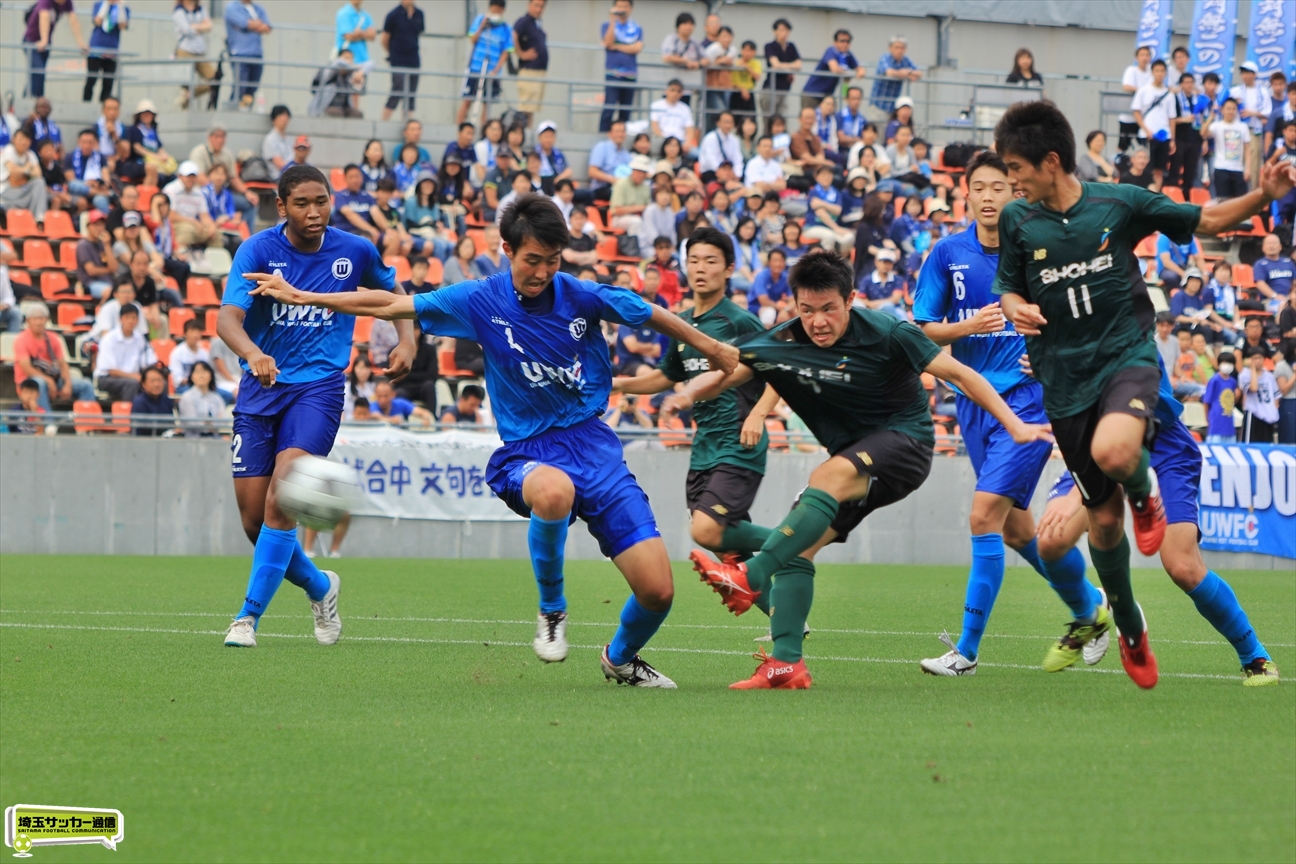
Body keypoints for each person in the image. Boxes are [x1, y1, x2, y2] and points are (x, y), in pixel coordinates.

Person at [246, 192, 743, 685]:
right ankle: (552, 611)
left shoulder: (581, 295)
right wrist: (307, 296)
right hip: (528, 453)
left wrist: (711, 346)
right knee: (553, 492)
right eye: (532, 260)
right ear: (507, 250)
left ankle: (620, 658)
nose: (543, 271)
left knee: (658, 592)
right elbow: (389, 303)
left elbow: (648, 312)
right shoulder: (480, 298)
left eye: (552, 260)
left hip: (596, 449)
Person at [992, 99, 1296, 688]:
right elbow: (1007, 284)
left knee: (1176, 556)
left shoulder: (1119, 202)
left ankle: (1254, 653)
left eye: (1016, 170)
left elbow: (1205, 222)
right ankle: (1126, 626)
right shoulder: (1017, 222)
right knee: (1081, 533)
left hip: (1135, 387)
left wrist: (1263, 197)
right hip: (1066, 388)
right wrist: (1013, 306)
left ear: (1050, 161)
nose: (1012, 183)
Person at [686, 251, 1051, 689]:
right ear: (794, 307)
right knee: (798, 546)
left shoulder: (889, 331)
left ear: (851, 300)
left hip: (906, 445)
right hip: (854, 460)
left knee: (822, 479)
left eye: (828, 310)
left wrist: (1015, 424)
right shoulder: (780, 341)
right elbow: (726, 374)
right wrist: (686, 394)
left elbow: (961, 375)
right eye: (807, 311)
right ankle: (786, 665)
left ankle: (751, 575)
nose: (818, 321)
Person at [214, 164, 416, 649]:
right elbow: (227, 320)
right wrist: (254, 353)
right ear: (281, 206)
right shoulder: (259, 250)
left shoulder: (354, 249)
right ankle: (321, 587)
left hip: (319, 388)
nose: (314, 212)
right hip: (260, 389)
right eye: (302, 203)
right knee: (253, 522)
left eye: (321, 201)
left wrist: (407, 341)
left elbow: (397, 294)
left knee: (282, 501)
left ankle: (247, 618)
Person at [911, 150, 1070, 675]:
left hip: (1028, 402)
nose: (986, 196)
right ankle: (1094, 606)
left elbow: (1073, 319)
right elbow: (922, 329)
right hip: (974, 405)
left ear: (1014, 192)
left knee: (982, 517)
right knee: (1019, 532)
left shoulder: (1040, 249)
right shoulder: (947, 254)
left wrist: (1048, 352)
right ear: (966, 194)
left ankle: (967, 651)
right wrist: (967, 329)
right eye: (978, 187)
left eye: (997, 187)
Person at [1035, 361, 1279, 685]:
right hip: (1094, 447)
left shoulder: (1121, 324)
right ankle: (1092, 612)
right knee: (1051, 541)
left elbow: (1127, 421)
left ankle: (1255, 656)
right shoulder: (1050, 334)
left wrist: (1075, 497)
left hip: (1160, 443)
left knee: (1182, 566)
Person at [614, 225, 775, 568]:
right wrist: (618, 385)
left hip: (738, 441)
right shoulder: (682, 324)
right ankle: (783, 617)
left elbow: (780, 369)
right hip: (704, 445)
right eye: (694, 260)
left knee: (705, 530)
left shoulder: (740, 321)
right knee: (721, 545)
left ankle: (793, 543)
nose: (700, 268)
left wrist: (759, 414)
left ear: (729, 269)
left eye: (710, 261)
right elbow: (666, 376)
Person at [14, 301, 96, 410]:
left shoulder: (53, 338)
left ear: (46, 320)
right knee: (40, 382)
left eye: (41, 318)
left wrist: (67, 384)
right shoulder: (21, 339)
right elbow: (26, 367)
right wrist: (48, 380)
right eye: (35, 319)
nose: (38, 322)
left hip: (53, 378)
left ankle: (87, 421)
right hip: (29, 382)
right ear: (28, 321)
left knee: (86, 385)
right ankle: (48, 423)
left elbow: (63, 364)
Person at [23, 0, 87, 100]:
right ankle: (33, 100)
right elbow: (44, 16)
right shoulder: (46, 1)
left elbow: (73, 20)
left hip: (45, 44)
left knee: (40, 74)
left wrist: (81, 43)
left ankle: (37, 100)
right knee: (38, 71)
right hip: (32, 41)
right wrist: (44, 40)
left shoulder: (67, 3)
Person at [95, 301, 157, 402]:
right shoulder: (109, 339)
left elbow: (149, 362)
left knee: (158, 382)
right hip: (107, 378)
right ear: (120, 319)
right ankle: (128, 415)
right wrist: (135, 377)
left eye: (134, 318)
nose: (130, 321)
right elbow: (111, 370)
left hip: (135, 377)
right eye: (127, 317)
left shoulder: (141, 339)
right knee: (132, 384)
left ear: (138, 320)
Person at [1130, 59, 1177, 189]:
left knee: (1159, 169)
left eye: (1162, 71)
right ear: (1152, 72)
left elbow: (1172, 117)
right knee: (1145, 167)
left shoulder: (1169, 94)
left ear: (1166, 73)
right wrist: (1147, 130)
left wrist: (1172, 138)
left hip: (1164, 136)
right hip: (1147, 135)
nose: (1160, 73)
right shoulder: (1144, 90)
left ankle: (1155, 197)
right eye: (1157, 70)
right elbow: (1136, 112)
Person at [598, 0, 643, 132]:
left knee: (626, 110)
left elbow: (637, 48)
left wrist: (616, 46)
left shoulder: (636, 28)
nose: (623, 9)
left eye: (625, 6)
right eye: (620, 6)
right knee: (609, 107)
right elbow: (607, 42)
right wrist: (613, 20)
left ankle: (622, 136)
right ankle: (603, 135)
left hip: (630, 74)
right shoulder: (606, 25)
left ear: (630, 9)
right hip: (613, 73)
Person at [224, 0, 271, 111]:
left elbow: (267, 27)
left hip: (256, 53)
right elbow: (245, 23)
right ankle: (232, 112)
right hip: (240, 53)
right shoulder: (232, 7)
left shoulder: (258, 8)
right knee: (240, 87)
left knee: (252, 88)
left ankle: (246, 110)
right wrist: (258, 24)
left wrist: (253, 25)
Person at [1230, 61, 1271, 187]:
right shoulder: (1235, 91)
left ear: (1254, 75)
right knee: (1235, 162)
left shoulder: (1263, 92)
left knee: (1253, 164)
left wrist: (1252, 113)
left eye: (1248, 73)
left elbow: (1267, 112)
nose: (1245, 76)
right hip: (1236, 132)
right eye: (1243, 73)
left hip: (1254, 131)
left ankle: (1251, 195)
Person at [1202, 97, 1251, 199]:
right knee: (1222, 200)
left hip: (1238, 169)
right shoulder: (1217, 125)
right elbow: (1203, 133)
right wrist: (1211, 117)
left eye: (1233, 109)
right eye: (1228, 108)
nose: (1231, 111)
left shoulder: (1243, 127)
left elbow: (1247, 149)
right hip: (1221, 168)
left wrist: (1248, 168)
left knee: (1240, 200)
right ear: (1222, 110)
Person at [803, 29, 864, 108]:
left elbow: (860, 69)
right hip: (812, 93)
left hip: (827, 96)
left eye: (848, 41)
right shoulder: (831, 51)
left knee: (830, 119)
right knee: (810, 118)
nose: (845, 44)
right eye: (842, 41)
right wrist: (846, 75)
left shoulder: (847, 55)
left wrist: (859, 72)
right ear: (835, 42)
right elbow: (834, 68)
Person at [1169, 73, 1208, 194]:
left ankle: (1187, 197)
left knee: (1191, 171)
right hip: (1179, 139)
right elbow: (1170, 119)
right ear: (1181, 84)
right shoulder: (1175, 98)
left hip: (1195, 139)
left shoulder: (1198, 99)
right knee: (1175, 169)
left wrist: (1205, 140)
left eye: (1191, 82)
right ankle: (1173, 195)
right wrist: (1184, 120)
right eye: (1186, 82)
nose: (1189, 85)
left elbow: (1203, 120)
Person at [1, 129, 49, 225]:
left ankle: (39, 219)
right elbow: (14, 172)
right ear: (13, 140)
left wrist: (22, 171)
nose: (23, 142)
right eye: (20, 139)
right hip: (6, 190)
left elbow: (38, 174)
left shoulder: (31, 154)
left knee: (39, 183)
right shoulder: (9, 150)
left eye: (26, 139)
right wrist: (28, 167)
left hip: (22, 190)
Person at [511, 0, 548, 127]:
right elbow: (513, 34)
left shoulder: (537, 23)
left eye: (541, 6)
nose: (538, 9)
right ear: (529, 5)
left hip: (539, 71)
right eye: (536, 5)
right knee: (526, 107)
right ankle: (522, 133)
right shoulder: (524, 21)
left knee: (532, 108)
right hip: (529, 70)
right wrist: (521, 53)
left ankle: (527, 131)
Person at [173, 0, 215, 110]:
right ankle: (184, 103)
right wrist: (202, 26)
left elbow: (210, 26)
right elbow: (187, 31)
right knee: (186, 83)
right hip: (185, 51)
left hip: (200, 52)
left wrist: (194, 26)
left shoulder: (201, 9)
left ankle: (188, 96)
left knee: (215, 80)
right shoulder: (179, 11)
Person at [84, 0, 128, 103]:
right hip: (96, 48)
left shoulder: (124, 8)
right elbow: (97, 21)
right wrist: (107, 4)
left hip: (112, 50)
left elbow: (123, 25)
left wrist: (120, 7)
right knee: (91, 79)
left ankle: (104, 105)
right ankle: (86, 102)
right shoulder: (99, 4)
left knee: (108, 82)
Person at [871, 35, 920, 118]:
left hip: (894, 107)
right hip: (879, 105)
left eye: (902, 48)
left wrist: (908, 72)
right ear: (890, 48)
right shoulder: (885, 57)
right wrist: (904, 74)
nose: (899, 50)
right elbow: (889, 72)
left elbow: (919, 73)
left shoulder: (905, 60)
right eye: (896, 47)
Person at [1238, 345, 1280, 442]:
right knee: (1250, 444)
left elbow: (1276, 396)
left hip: (1268, 415)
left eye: (1259, 358)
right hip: (1253, 414)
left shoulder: (1269, 376)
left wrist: (1273, 411)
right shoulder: (1244, 374)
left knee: (1267, 444)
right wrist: (1252, 369)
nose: (1257, 361)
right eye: (1254, 358)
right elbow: (1253, 388)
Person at [762, 18, 800, 120]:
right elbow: (775, 64)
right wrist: (790, 66)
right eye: (781, 30)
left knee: (782, 119)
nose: (784, 33)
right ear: (775, 31)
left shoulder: (791, 46)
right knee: (769, 120)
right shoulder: (770, 46)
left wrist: (783, 66)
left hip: (784, 89)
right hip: (770, 88)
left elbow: (799, 65)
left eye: (786, 30)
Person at [1119, 45, 1154, 152]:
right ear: (1136, 58)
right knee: (1123, 145)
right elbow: (1126, 86)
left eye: (1147, 55)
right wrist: (1143, 90)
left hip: (1145, 117)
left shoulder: (1152, 72)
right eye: (1142, 55)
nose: (1144, 58)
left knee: (1144, 145)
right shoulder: (1131, 70)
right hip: (1129, 116)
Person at [75, 210, 116, 299]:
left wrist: (107, 245)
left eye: (101, 225)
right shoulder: (83, 245)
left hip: (107, 281)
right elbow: (91, 270)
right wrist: (109, 269)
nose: (99, 228)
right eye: (95, 225)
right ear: (88, 227)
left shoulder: (104, 243)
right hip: (89, 283)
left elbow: (114, 268)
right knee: (110, 292)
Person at [608, 153, 652, 237]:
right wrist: (638, 208)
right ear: (633, 170)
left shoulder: (646, 188)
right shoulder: (621, 184)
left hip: (640, 217)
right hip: (619, 219)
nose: (641, 175)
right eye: (639, 171)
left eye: (644, 172)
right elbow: (617, 211)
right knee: (636, 222)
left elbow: (648, 209)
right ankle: (634, 249)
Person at [179, 360, 226, 436]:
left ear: (211, 375)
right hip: (194, 440)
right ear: (192, 377)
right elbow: (190, 422)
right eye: (197, 372)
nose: (201, 375)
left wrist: (209, 424)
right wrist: (210, 425)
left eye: (204, 372)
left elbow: (223, 421)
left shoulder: (217, 398)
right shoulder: (187, 397)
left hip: (215, 439)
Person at [1202, 350, 1239, 443]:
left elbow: (1232, 400)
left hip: (1229, 422)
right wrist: (1208, 419)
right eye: (1225, 362)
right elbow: (1206, 402)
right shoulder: (1214, 380)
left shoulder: (1233, 381)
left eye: (1230, 363)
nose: (1228, 365)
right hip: (1216, 422)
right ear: (1219, 364)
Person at [588, 120, 630, 201]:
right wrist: (613, 180)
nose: (621, 134)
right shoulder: (601, 147)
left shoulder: (626, 154)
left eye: (623, 131)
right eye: (617, 131)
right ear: (609, 134)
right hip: (602, 188)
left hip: (620, 188)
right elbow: (592, 172)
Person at [650, 80, 697, 153]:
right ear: (666, 91)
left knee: (697, 153)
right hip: (662, 140)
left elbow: (690, 130)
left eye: (679, 91)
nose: (675, 93)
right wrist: (668, 144)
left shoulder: (685, 108)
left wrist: (687, 143)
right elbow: (655, 127)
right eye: (673, 90)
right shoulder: (656, 105)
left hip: (680, 142)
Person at [748, 247, 789, 328]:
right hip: (756, 308)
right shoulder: (761, 276)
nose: (778, 264)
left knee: (794, 312)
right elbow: (764, 301)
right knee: (770, 312)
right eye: (775, 260)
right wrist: (782, 309)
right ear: (769, 262)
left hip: (777, 307)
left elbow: (793, 299)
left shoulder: (786, 277)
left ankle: (789, 339)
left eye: (781, 261)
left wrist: (786, 310)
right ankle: (766, 338)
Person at [697, 111, 744, 181]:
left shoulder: (735, 140)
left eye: (731, 122)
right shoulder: (710, 138)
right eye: (726, 122)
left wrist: (737, 174)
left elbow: (738, 159)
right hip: (712, 172)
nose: (728, 125)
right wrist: (721, 172)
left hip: (729, 172)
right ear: (718, 123)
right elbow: (710, 160)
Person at [170, 317, 211, 392]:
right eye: (192, 331)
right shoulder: (177, 353)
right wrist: (194, 381)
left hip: (203, 385)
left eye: (198, 332)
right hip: (185, 386)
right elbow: (177, 379)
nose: (195, 335)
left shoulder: (204, 353)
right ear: (185, 333)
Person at [130, 365, 174, 435]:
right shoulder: (139, 403)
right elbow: (141, 429)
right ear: (143, 384)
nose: (156, 384)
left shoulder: (166, 400)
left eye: (159, 380)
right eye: (152, 381)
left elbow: (171, 423)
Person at [1253, 232, 1293, 304]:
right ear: (1263, 248)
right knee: (1283, 306)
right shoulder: (1260, 264)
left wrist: (1292, 295)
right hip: (1270, 300)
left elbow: (1294, 282)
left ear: (1280, 247)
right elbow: (1260, 284)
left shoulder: (1288, 262)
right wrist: (1275, 296)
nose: (1271, 246)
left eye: (1274, 243)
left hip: (1290, 298)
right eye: (1268, 243)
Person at [262, 106, 293, 180]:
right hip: (278, 178)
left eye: (286, 116)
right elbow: (280, 165)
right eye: (281, 116)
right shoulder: (270, 139)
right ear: (274, 119)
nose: (284, 119)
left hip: (290, 174)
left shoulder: (289, 139)